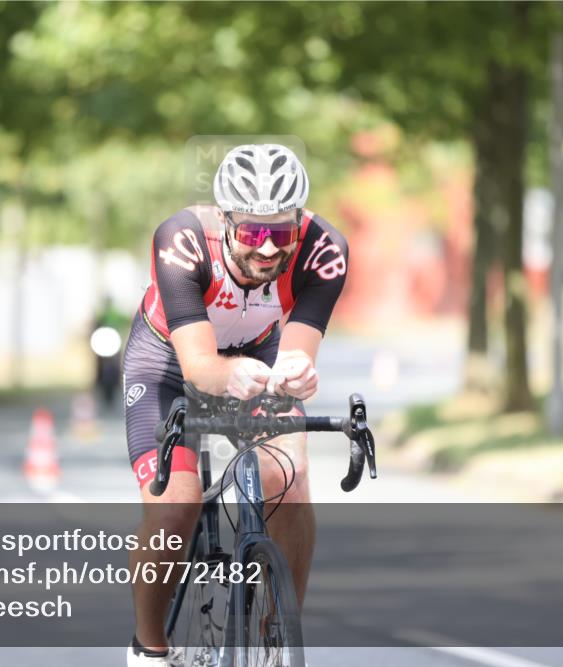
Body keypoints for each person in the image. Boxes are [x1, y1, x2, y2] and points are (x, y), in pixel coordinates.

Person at [122, 144, 349, 666]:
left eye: (282, 233)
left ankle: (278, 631)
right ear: (225, 220)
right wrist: (229, 375)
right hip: (169, 361)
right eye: (253, 233)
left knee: (288, 476)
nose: (269, 250)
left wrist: (297, 374)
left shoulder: (324, 250)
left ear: (300, 223)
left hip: (259, 351)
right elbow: (201, 368)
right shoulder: (180, 241)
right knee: (176, 503)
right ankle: (149, 647)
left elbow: (296, 355)